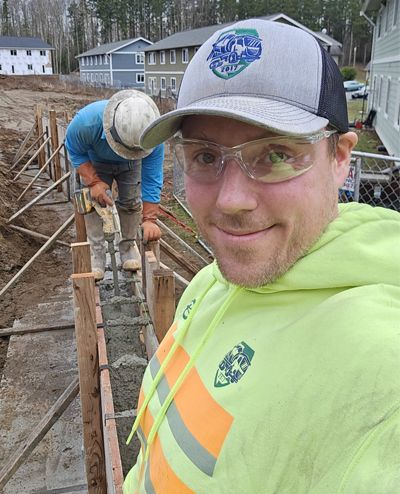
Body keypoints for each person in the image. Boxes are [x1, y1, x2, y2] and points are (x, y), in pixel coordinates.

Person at [123, 19, 400, 493]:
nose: (231, 201)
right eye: (206, 157)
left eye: (276, 155)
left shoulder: (377, 362)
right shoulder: (219, 280)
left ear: (340, 159)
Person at [65, 90, 164, 280]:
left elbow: (152, 178)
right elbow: (74, 150)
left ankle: (127, 249)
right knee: (95, 204)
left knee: (130, 202)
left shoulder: (154, 137)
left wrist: (150, 219)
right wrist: (93, 182)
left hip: (131, 164)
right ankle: (97, 257)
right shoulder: (87, 122)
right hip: (96, 160)